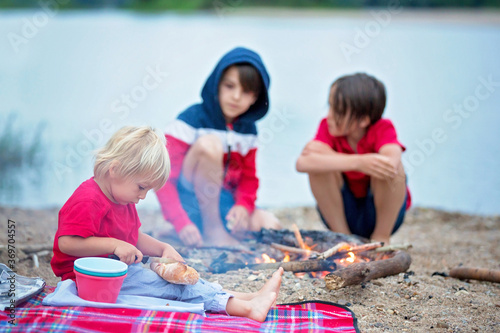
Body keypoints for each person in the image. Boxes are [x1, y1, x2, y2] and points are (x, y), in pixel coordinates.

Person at [50, 126, 283, 322]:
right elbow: (67, 243)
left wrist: (162, 248)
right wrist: (114, 245)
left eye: (147, 190)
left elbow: (133, 237)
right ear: (115, 170)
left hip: (117, 271)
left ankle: (246, 297)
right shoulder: (88, 199)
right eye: (141, 187)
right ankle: (248, 309)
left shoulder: (121, 196)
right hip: (88, 281)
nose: (142, 196)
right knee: (172, 289)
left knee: (184, 281)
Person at [156, 47, 281, 248]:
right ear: (217, 84)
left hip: (225, 206)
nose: (236, 97)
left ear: (256, 97)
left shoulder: (248, 131)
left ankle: (217, 231)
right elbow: (163, 180)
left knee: (271, 225)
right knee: (210, 144)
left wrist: (243, 206)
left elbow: (249, 178)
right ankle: (211, 231)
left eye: (247, 91)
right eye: (230, 86)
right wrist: (181, 223)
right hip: (189, 206)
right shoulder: (190, 121)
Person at [296, 73, 411, 245]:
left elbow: (392, 162)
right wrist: (359, 163)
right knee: (317, 168)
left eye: (338, 111)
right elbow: (302, 163)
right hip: (342, 214)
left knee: (391, 169)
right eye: (330, 106)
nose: (330, 116)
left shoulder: (382, 129)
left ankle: (381, 238)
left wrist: (330, 156)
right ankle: (343, 238)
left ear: (363, 120)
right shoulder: (326, 127)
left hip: (380, 215)